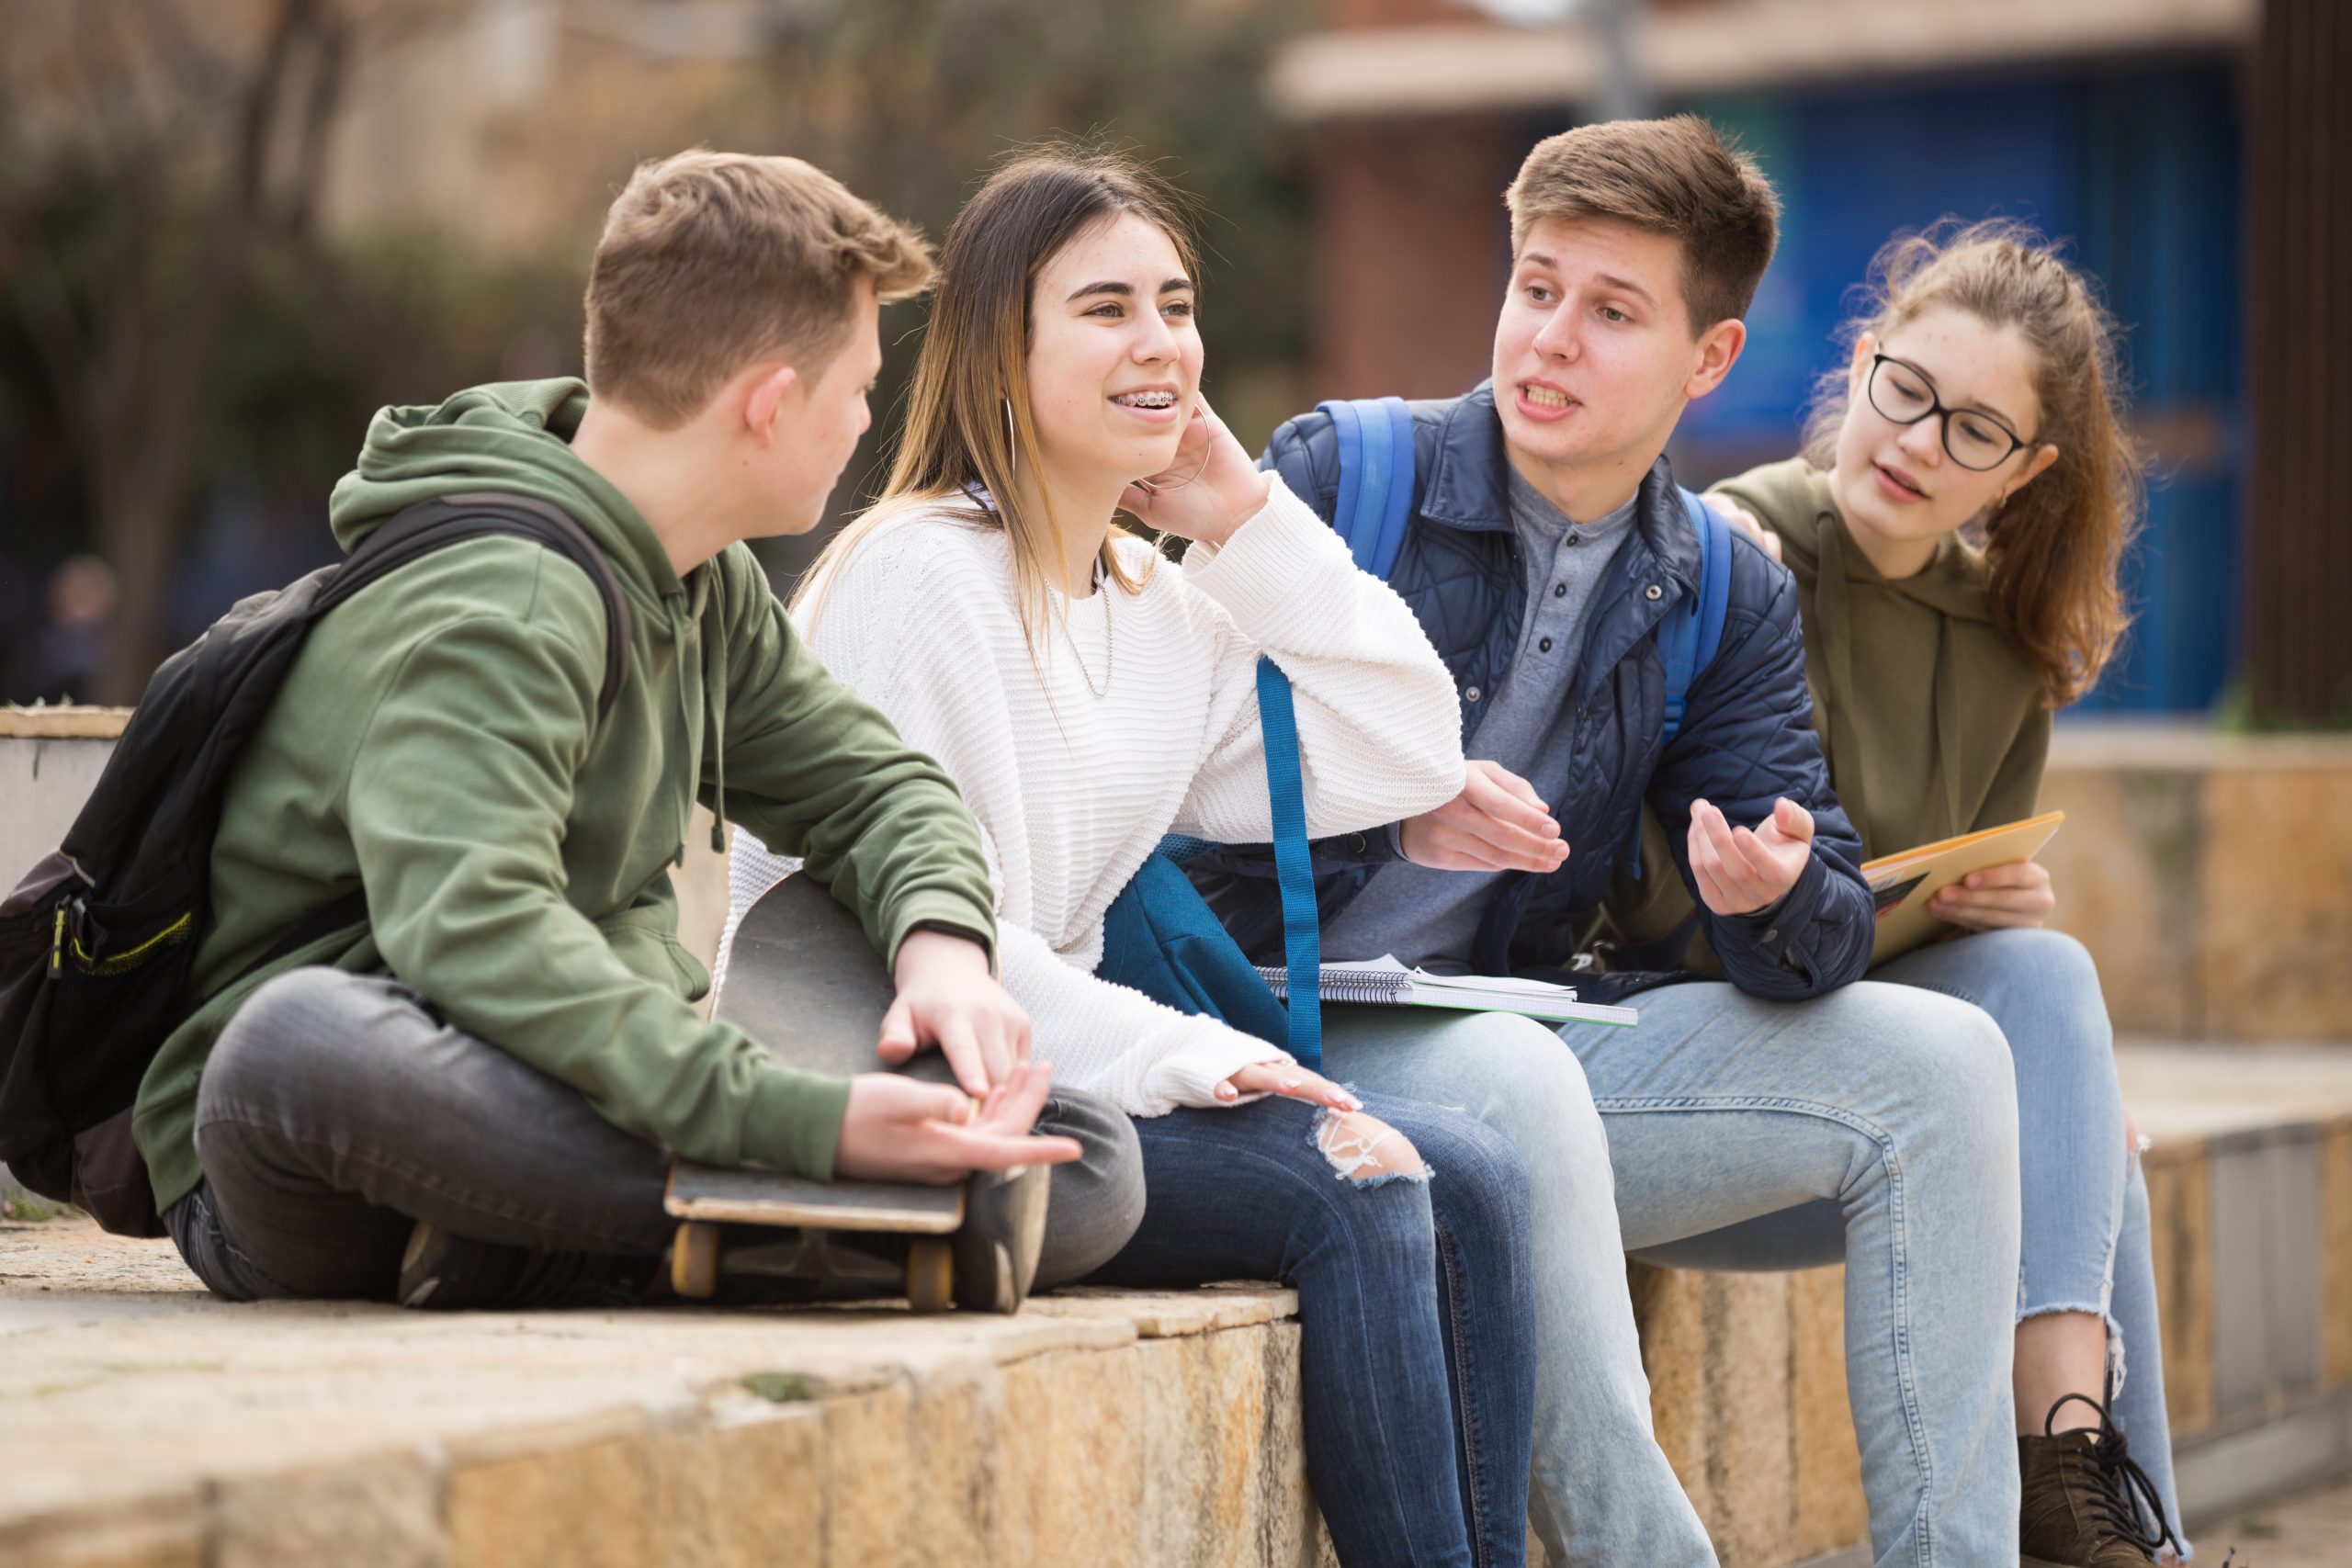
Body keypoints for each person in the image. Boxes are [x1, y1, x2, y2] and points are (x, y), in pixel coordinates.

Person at [1196, 117, 2026, 1568]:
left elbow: (1819, 903)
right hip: (1272, 1031)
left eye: (1613, 310)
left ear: (1709, 359)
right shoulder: (1343, 480)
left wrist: (1770, 894)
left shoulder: (1714, 583)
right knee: (1520, 1066)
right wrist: (1389, 803)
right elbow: (1141, 794)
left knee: (1952, 1062)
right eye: (1537, 287)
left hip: (1520, 1050)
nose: (1551, 340)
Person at [725, 146, 1541, 1568]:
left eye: (1175, 302)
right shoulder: (918, 579)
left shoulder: (1148, 595)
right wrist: (1198, 1057)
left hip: (1057, 1062)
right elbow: (944, 950)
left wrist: (1249, 521)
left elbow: (1410, 745)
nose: (1159, 341)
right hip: (892, 1082)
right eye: (1105, 309)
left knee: (1480, 1172)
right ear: (1001, 347)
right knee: (1358, 1183)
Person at [139, 150, 1109, 1314]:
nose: (865, 417)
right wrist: (805, 1121)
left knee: (1094, 1153)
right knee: (288, 1050)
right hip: (342, 1141)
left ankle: (584, 1235)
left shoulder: (699, 579)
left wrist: (941, 947)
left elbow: (876, 787)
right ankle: (807, 1216)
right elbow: (476, 938)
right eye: (854, 386)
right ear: (766, 403)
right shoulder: (501, 607)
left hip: (578, 1100)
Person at [1609, 220, 2185, 1566]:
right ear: (1860, 364)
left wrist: (1973, 914)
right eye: (1907, 389)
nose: (1920, 439)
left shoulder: (2006, 642)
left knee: (2054, 1008)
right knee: (2071, 1108)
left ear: (2027, 470)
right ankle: (2076, 1506)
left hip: (1877, 1115)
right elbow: (1642, 896)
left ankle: (2097, 1511)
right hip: (1700, 1090)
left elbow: (1914, 957)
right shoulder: (1731, 552)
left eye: (1976, 430)